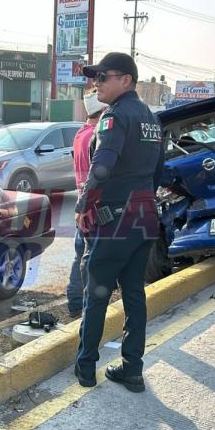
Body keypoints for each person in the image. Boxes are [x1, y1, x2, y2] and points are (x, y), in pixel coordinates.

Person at [74, 52, 164, 393]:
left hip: (116, 222)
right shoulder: (152, 119)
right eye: (94, 77)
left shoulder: (113, 117)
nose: (96, 83)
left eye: (103, 76)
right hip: (144, 220)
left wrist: (84, 205)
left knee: (96, 295)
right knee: (134, 295)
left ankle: (85, 368)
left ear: (125, 80)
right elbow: (158, 173)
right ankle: (132, 369)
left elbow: (102, 165)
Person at [66, 90, 107, 318]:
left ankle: (74, 302)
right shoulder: (96, 135)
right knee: (90, 258)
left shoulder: (81, 133)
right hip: (93, 203)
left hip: (83, 203)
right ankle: (82, 304)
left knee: (80, 253)